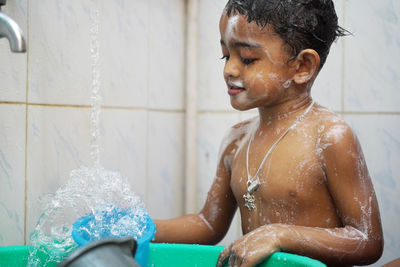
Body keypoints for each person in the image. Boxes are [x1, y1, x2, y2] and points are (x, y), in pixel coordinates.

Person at [153, 0, 384, 266]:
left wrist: (279, 234)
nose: (229, 69)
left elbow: (366, 240)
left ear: (302, 67)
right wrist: (138, 227)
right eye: (226, 55)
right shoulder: (236, 140)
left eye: (248, 59)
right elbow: (207, 224)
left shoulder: (330, 138)